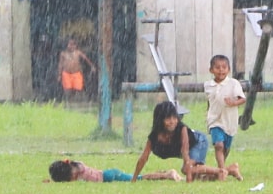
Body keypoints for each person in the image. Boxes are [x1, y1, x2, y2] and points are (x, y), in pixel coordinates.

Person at [135, 100, 237, 182]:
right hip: (189, 149)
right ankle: (230, 170)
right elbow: (143, 158)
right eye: (168, 119)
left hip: (198, 141)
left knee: (187, 169)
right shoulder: (154, 137)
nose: (172, 122)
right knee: (198, 177)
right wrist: (134, 178)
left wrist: (188, 176)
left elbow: (185, 150)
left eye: (174, 118)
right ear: (160, 120)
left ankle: (220, 171)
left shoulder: (181, 129)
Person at [204, 54, 247, 176]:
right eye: (217, 67)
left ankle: (222, 170)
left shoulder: (233, 83)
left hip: (229, 121)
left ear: (229, 69)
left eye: (224, 67)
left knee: (226, 148)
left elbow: (243, 99)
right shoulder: (208, 85)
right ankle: (222, 171)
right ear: (211, 70)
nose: (221, 70)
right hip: (215, 120)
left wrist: (233, 103)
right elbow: (210, 101)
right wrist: (208, 113)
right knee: (218, 145)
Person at [48, 159, 181, 183]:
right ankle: (163, 173)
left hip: (110, 176)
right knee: (139, 177)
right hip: (109, 174)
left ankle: (167, 175)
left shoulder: (78, 172)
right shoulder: (77, 166)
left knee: (139, 179)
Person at [57, 38, 96, 105]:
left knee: (78, 88)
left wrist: (92, 66)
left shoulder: (78, 53)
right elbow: (60, 64)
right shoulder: (63, 54)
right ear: (67, 45)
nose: (71, 46)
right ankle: (68, 102)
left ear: (75, 46)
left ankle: (76, 100)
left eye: (73, 45)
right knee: (67, 89)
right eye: (70, 44)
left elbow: (86, 59)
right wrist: (59, 75)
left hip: (76, 73)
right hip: (66, 73)